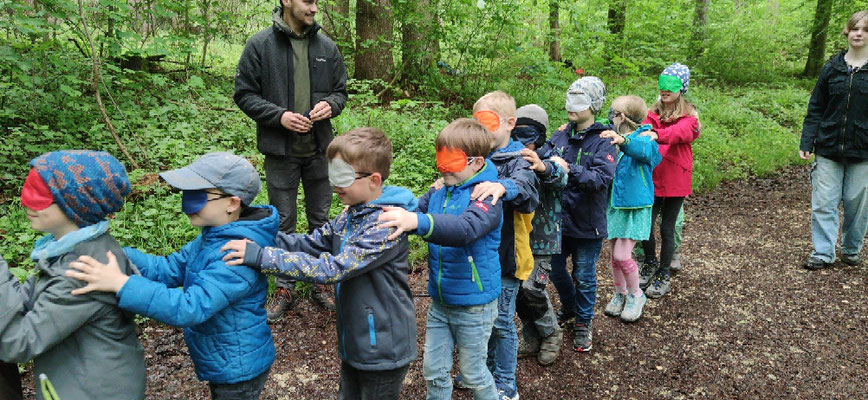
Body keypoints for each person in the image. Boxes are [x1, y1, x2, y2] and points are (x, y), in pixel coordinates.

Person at [221, 128, 417, 400]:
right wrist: (260, 235)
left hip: (384, 347)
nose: (335, 184)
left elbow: (333, 268)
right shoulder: (352, 213)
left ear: (373, 180)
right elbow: (311, 243)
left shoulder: (386, 225)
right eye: (332, 173)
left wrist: (262, 257)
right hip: (357, 341)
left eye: (343, 177)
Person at [66, 152, 279, 400]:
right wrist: (120, 255)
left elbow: (190, 307)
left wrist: (122, 284)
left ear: (231, 204)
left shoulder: (235, 256)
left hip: (239, 368)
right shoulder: (212, 237)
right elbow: (167, 269)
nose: (186, 203)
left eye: (197, 195)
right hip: (224, 357)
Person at [234, 0, 349, 318]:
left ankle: (320, 283)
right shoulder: (260, 45)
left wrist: (331, 105)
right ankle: (285, 286)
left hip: (319, 150)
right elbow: (243, 94)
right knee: (282, 222)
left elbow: (341, 92)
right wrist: (279, 116)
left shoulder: (326, 46)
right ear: (286, 1)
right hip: (280, 152)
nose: (314, 8)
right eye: (308, 1)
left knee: (321, 220)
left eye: (316, 2)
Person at [0, 150, 145, 400]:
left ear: (77, 203)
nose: (26, 201)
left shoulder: (82, 269)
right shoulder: (65, 250)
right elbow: (24, 305)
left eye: (42, 194)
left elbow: (18, 343)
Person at [377, 119, 503, 400]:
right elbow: (412, 209)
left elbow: (465, 229)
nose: (442, 166)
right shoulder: (440, 191)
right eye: (440, 158)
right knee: (433, 371)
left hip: (475, 305)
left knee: (473, 374)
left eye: (451, 160)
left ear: (476, 161)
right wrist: (373, 198)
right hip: (440, 302)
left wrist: (416, 221)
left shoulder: (487, 196)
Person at [465, 91, 539, 400]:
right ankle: (482, 371)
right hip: (482, 254)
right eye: (476, 122)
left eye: (486, 122)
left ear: (509, 123)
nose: (479, 129)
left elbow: (526, 192)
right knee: (483, 318)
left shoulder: (520, 159)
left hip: (509, 258)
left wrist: (502, 186)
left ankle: (506, 382)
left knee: (502, 321)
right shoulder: (478, 157)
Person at [541, 76, 616, 353]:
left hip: (587, 224)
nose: (571, 106)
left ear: (593, 104)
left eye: (580, 100)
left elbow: (600, 180)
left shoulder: (604, 141)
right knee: (556, 271)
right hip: (558, 222)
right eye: (570, 98)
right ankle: (571, 307)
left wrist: (568, 167)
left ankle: (584, 322)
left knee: (584, 275)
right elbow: (541, 156)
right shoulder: (560, 135)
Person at [799, 10, 868, 270]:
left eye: (864, 29)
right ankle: (823, 251)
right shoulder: (832, 67)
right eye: (854, 28)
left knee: (857, 203)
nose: (858, 33)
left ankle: (851, 249)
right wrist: (807, 141)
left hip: (863, 150)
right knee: (824, 201)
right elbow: (816, 106)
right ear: (847, 32)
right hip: (828, 146)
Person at [638, 63, 701, 299]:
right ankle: (650, 263)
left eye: (671, 85)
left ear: (681, 88)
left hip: (676, 179)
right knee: (645, 225)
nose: (665, 90)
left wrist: (657, 134)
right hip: (652, 178)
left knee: (667, 228)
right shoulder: (652, 113)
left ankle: (664, 273)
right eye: (662, 84)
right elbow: (642, 131)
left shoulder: (690, 117)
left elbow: (681, 133)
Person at [511, 104, 567, 365]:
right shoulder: (510, 154)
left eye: (529, 136)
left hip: (543, 238)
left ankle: (552, 333)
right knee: (518, 290)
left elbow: (561, 176)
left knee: (532, 288)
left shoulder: (552, 156)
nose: (524, 143)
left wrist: (543, 167)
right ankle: (532, 337)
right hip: (518, 236)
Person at [599, 96, 661, 322]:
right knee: (615, 257)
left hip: (635, 207)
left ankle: (636, 295)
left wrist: (623, 141)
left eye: (613, 113)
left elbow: (646, 152)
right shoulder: (613, 135)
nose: (609, 117)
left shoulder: (645, 138)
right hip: (616, 205)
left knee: (622, 255)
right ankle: (620, 293)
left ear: (622, 117)